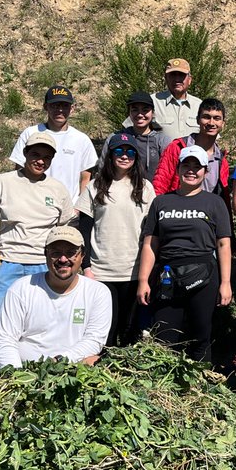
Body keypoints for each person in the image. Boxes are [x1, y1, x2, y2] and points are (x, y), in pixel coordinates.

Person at [0, 130, 76, 372]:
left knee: (41, 324)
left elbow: (65, 228)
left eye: (46, 157)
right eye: (35, 154)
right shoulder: (4, 182)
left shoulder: (57, 189)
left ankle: (35, 375)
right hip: (9, 263)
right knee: (1, 322)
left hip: (45, 266)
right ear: (25, 154)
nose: (40, 160)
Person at [137, 145, 233, 363]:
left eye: (197, 167)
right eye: (186, 165)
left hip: (205, 275)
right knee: (165, 337)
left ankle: (201, 386)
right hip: (168, 275)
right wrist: (144, 280)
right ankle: (166, 391)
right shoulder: (161, 202)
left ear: (205, 172)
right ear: (177, 169)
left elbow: (224, 244)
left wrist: (226, 282)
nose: (191, 171)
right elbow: (150, 243)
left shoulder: (215, 202)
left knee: (201, 334)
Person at [76, 133, 156, 348]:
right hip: (102, 271)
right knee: (105, 330)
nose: (124, 156)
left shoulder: (145, 187)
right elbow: (84, 230)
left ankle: (127, 376)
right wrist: (86, 267)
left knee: (130, 330)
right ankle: (102, 374)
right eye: (118, 151)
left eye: (129, 151)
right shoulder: (95, 186)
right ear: (110, 155)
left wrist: (147, 273)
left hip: (134, 269)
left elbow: (151, 231)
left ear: (136, 157)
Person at [0, 225, 112, 369]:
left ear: (82, 255)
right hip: (26, 370)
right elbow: (5, 339)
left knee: (95, 360)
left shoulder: (98, 292)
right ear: (45, 254)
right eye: (55, 253)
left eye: (71, 253)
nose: (63, 259)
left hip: (72, 366)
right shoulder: (21, 289)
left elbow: (94, 340)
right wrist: (17, 376)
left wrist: (57, 363)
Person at [8, 86, 97, 201]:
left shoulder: (82, 139)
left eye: (65, 106)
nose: (60, 110)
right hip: (34, 204)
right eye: (55, 105)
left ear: (72, 108)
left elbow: (85, 178)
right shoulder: (30, 133)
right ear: (46, 107)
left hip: (69, 209)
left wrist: (80, 208)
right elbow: (19, 170)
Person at [152, 99, 230, 197]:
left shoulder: (221, 160)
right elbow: (160, 184)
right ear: (197, 120)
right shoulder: (177, 148)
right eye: (206, 117)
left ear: (223, 123)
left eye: (216, 118)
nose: (211, 123)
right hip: (177, 210)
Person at [104, 91, 170, 182]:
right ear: (129, 113)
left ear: (153, 113)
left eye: (145, 110)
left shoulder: (162, 140)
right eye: (135, 110)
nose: (140, 114)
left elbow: (169, 172)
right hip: (120, 192)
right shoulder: (116, 138)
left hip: (153, 193)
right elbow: (103, 167)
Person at [151, 58, 202, 139]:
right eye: (172, 75)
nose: (177, 79)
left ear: (189, 79)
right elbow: (132, 128)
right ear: (166, 78)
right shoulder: (153, 101)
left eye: (181, 75)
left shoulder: (199, 105)